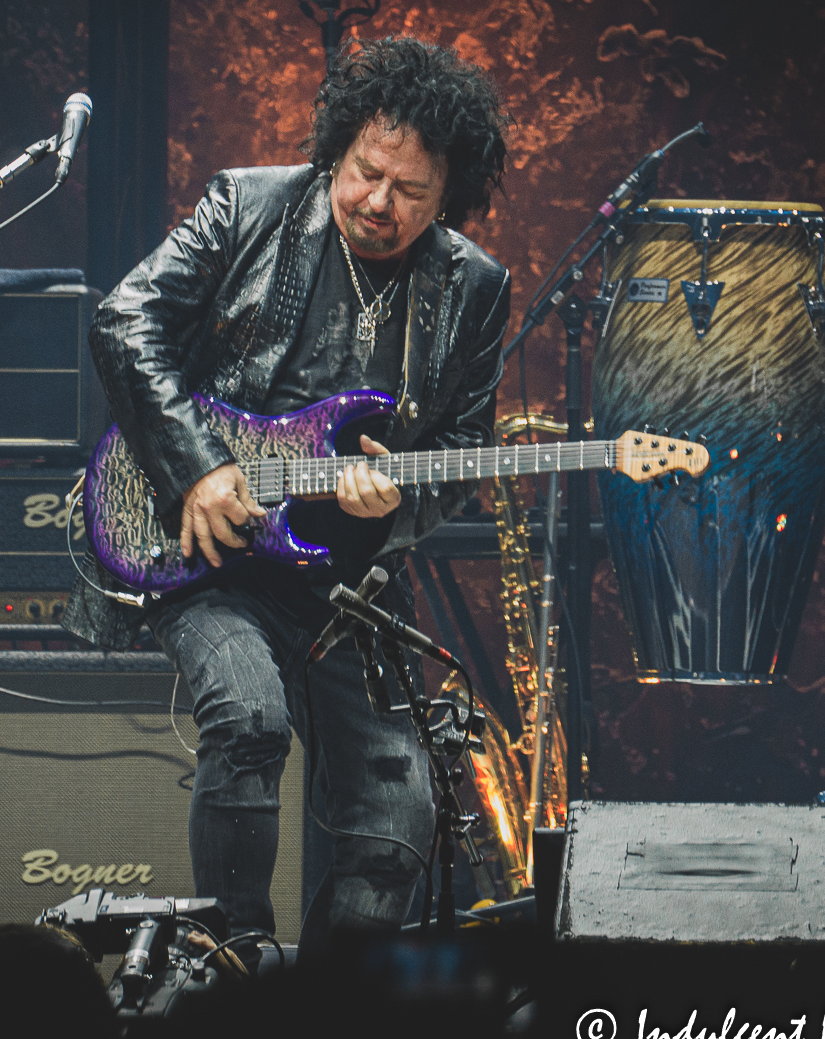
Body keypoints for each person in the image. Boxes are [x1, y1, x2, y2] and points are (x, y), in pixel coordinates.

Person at [64, 36, 511, 949]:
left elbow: (463, 449)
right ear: (338, 149)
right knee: (249, 716)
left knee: (399, 821)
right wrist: (197, 465)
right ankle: (238, 972)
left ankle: (319, 1022)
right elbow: (123, 317)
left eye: (410, 192)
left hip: (345, 584)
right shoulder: (249, 205)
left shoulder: (473, 289)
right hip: (211, 552)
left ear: (448, 200)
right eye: (364, 172)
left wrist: (399, 508)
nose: (377, 202)